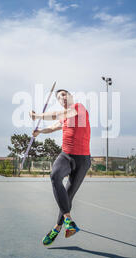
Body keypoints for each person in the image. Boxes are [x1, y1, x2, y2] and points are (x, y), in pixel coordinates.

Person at [29, 89, 91, 246]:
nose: (61, 98)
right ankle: (69, 221)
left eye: (64, 94)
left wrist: (37, 116)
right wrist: (40, 131)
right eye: (58, 97)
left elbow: (59, 115)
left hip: (82, 160)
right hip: (66, 156)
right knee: (54, 176)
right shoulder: (65, 117)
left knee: (67, 197)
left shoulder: (79, 108)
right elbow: (53, 127)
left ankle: (56, 228)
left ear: (70, 96)